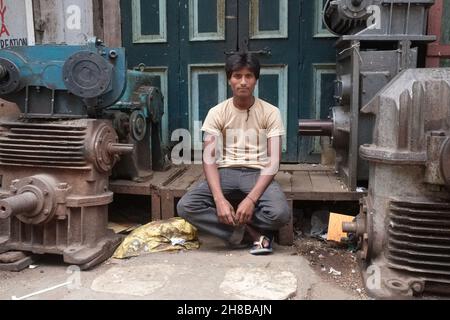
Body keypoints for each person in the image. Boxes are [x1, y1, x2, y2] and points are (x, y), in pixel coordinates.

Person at [177, 52, 290, 255]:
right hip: (226, 172)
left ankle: (237, 229)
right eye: (237, 76)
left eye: (249, 76)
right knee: (186, 206)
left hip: (257, 172)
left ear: (256, 80)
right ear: (229, 79)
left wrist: (250, 200)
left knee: (280, 214)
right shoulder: (217, 112)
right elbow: (209, 159)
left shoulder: (271, 112)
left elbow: (273, 161)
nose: (243, 82)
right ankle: (251, 234)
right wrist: (220, 200)